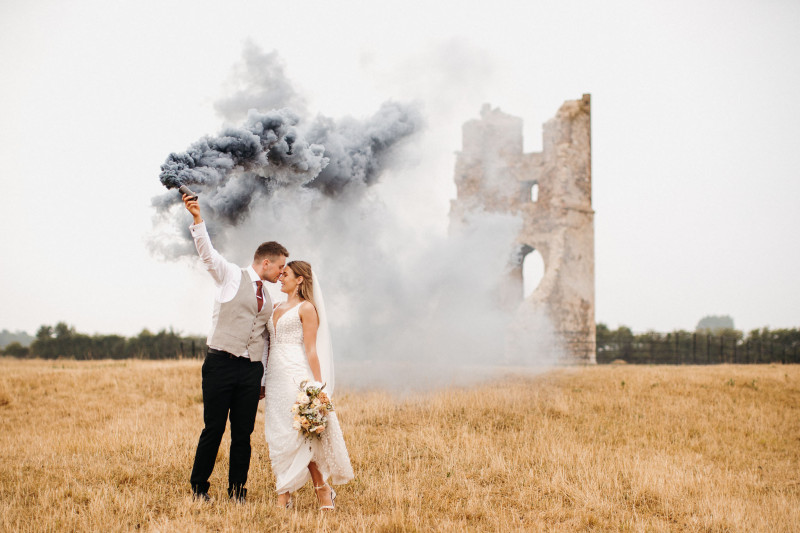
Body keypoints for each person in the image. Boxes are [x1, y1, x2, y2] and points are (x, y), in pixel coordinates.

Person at [182, 193, 288, 503]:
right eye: (280, 267)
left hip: (250, 371)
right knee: (213, 429)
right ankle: (199, 488)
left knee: (243, 434)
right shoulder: (230, 276)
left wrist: (262, 379)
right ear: (265, 262)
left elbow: (264, 341)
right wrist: (198, 219)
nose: (282, 273)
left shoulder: (268, 298)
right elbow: (208, 254)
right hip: (221, 365)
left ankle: (237, 492)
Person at [263, 260, 353, 510]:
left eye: (286, 274)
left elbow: (312, 350)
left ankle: (321, 489)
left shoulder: (307, 308)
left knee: (301, 435)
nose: (280, 278)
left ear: (299, 279)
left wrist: (317, 388)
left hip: (296, 374)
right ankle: (285, 491)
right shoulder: (275, 307)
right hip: (275, 377)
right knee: (279, 434)